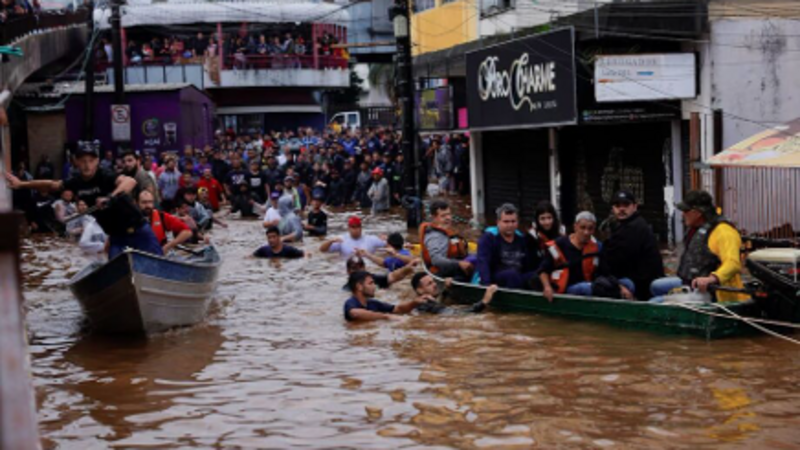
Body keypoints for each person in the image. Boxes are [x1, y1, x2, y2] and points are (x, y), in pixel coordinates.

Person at [5, 141, 160, 259]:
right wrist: (21, 184)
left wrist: (110, 197)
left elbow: (130, 182)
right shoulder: (75, 181)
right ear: (76, 162)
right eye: (83, 160)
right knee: (117, 274)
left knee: (159, 265)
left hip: (139, 230)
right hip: (116, 237)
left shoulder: (106, 175)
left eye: (91, 160)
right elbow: (52, 185)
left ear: (97, 161)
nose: (87, 165)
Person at [649, 190, 748, 303]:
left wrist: (711, 279)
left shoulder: (724, 232)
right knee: (655, 286)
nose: (682, 214)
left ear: (697, 213)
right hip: (690, 283)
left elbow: (733, 264)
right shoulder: (697, 228)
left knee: (654, 302)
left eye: (686, 211)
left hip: (712, 291)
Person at [538, 211, 635, 302]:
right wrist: (547, 287)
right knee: (586, 288)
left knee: (628, 283)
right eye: (582, 228)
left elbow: (605, 272)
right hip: (568, 288)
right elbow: (543, 270)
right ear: (575, 227)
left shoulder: (597, 247)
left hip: (593, 284)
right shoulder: (558, 245)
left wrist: (620, 287)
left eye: (590, 229)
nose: (586, 232)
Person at [599, 190, 665, 299]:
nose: (621, 209)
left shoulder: (634, 228)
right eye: (617, 205)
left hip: (641, 288)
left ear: (634, 207)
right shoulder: (628, 225)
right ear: (613, 209)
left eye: (626, 205)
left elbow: (613, 261)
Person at [476, 203, 538, 289]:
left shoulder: (522, 239)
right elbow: (483, 262)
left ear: (518, 222)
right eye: (506, 222)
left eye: (513, 221)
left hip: (519, 277)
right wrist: (486, 286)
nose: (510, 225)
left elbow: (530, 264)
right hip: (498, 279)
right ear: (498, 222)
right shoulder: (489, 239)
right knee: (511, 274)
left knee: (538, 275)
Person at [420, 200, 473, 280]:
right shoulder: (434, 237)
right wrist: (459, 264)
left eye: (449, 214)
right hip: (442, 272)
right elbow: (436, 260)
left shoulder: (447, 231)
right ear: (434, 217)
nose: (448, 218)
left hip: (453, 266)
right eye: (443, 216)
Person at [343, 271, 423, 322]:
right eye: (370, 283)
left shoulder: (373, 303)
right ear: (359, 286)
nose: (374, 286)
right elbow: (355, 313)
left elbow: (397, 309)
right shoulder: (351, 302)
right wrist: (385, 316)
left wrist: (414, 302)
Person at [411, 272, 498, 314]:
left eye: (433, 281)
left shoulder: (423, 304)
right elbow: (459, 314)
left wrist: (446, 291)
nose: (435, 285)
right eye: (429, 284)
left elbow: (440, 306)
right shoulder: (427, 305)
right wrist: (484, 301)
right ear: (420, 290)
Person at [138, 190, 193, 255]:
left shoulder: (162, 216)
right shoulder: (130, 218)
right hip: (139, 254)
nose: (147, 205)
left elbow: (187, 232)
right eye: (144, 202)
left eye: (150, 202)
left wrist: (168, 246)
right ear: (137, 203)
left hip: (158, 254)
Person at [320, 215, 386, 258]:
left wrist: (387, 239)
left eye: (357, 227)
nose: (356, 229)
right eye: (353, 227)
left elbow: (390, 245)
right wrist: (330, 241)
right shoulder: (341, 240)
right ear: (348, 228)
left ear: (361, 228)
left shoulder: (371, 239)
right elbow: (322, 250)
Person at [526, 200, 564, 264]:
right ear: (537, 220)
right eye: (542, 219)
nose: (547, 222)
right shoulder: (531, 237)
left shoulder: (561, 233)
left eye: (549, 218)